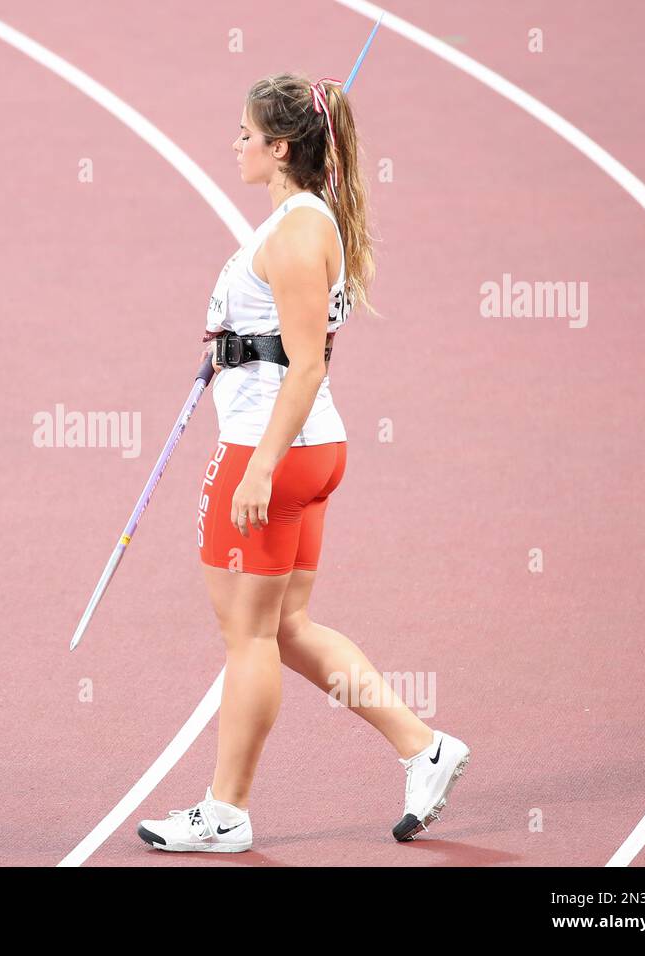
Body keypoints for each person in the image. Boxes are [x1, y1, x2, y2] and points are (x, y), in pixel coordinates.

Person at [137, 72, 469, 853]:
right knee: (287, 627)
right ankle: (424, 748)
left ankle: (225, 812)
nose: (237, 144)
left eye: (246, 133)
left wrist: (257, 468)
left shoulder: (293, 234)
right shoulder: (312, 222)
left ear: (280, 147)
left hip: (270, 456)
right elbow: (299, 350)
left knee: (248, 639)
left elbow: (307, 366)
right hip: (313, 451)